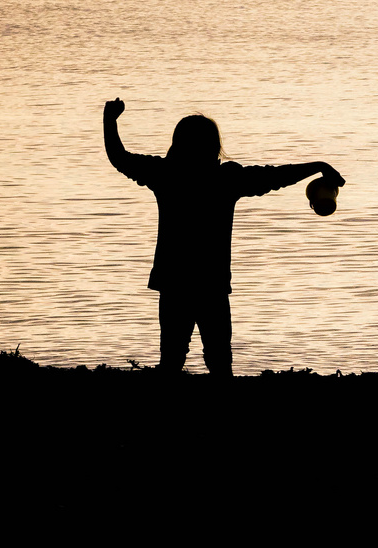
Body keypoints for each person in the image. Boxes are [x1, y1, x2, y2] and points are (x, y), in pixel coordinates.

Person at [103, 99, 344, 376]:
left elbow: (119, 158)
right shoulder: (226, 179)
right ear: (214, 146)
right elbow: (275, 176)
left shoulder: (165, 174)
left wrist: (110, 119)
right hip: (211, 283)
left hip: (174, 280)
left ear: (177, 143)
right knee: (219, 360)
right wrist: (318, 165)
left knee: (171, 360)